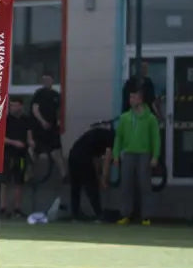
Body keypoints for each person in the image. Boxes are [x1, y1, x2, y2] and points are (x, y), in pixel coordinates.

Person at [112, 88, 161, 225]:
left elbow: (156, 138)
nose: (131, 100)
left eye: (133, 98)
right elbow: (119, 137)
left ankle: (146, 216)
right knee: (126, 184)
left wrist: (155, 156)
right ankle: (125, 214)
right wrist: (116, 155)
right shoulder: (125, 117)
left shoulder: (150, 118)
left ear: (140, 99)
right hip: (128, 153)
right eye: (130, 98)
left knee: (144, 185)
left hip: (144, 153)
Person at [67, 122, 114, 222]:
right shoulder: (112, 138)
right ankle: (99, 215)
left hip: (73, 154)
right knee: (91, 187)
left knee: (75, 187)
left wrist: (98, 177)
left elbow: (96, 160)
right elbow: (107, 160)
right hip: (83, 157)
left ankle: (75, 215)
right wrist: (103, 179)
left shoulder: (99, 135)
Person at [0, 95, 34, 218]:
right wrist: (14, 143)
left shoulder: (26, 120)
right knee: (4, 182)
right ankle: (3, 208)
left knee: (19, 182)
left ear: (21, 106)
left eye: (15, 105)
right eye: (11, 105)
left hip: (21, 156)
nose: (12, 107)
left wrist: (31, 142)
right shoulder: (6, 120)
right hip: (8, 154)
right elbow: (0, 138)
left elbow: (29, 135)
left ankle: (17, 208)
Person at [30, 72, 67, 181]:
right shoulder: (39, 94)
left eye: (48, 80)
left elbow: (59, 111)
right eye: (44, 80)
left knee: (56, 151)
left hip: (52, 128)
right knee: (34, 152)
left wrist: (59, 122)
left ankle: (64, 175)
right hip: (39, 128)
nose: (46, 82)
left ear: (52, 81)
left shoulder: (56, 95)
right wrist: (42, 121)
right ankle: (29, 174)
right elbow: (35, 109)